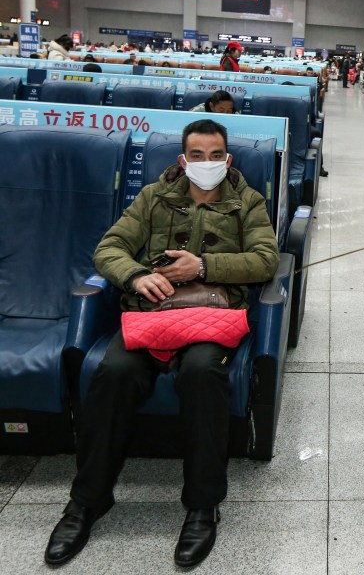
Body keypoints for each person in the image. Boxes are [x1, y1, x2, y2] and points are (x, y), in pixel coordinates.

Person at [44, 119, 280, 567]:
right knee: (113, 373)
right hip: (152, 314)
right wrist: (137, 274)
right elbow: (109, 248)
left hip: (212, 316)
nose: (206, 163)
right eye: (197, 155)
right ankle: (87, 501)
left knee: (201, 374)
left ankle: (201, 506)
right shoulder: (154, 197)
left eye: (216, 156)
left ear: (227, 159)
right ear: (182, 159)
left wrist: (204, 266)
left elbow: (266, 260)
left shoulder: (247, 201)